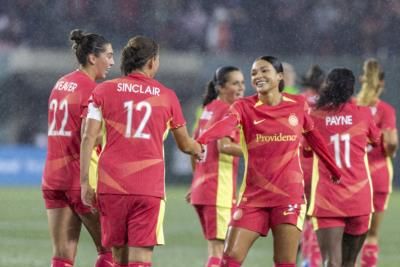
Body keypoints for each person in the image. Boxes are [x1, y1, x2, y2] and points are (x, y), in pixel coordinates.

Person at [196, 56, 341, 267]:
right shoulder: (244, 106)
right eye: (254, 73)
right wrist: (202, 140)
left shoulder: (298, 105)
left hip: (288, 196)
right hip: (253, 197)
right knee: (229, 257)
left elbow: (314, 137)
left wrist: (333, 168)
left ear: (279, 76)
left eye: (264, 71)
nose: (258, 76)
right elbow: (226, 124)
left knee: (284, 262)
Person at [80, 35, 202, 267]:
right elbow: (185, 145)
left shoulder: (103, 91)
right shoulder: (167, 96)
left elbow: (87, 137)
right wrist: (199, 148)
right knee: (141, 261)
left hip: (111, 186)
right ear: (151, 62)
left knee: (118, 259)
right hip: (147, 188)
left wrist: (85, 181)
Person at [42, 29, 115, 267]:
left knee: (62, 256)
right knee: (109, 250)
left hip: (53, 177)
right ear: (93, 58)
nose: (112, 62)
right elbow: (89, 136)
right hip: (81, 177)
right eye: (109, 55)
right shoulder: (92, 90)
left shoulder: (61, 83)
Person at [306, 68, 382, 267]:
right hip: (359, 198)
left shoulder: (314, 116)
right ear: (351, 89)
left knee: (331, 263)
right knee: (349, 264)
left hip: (328, 198)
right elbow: (376, 140)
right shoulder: (363, 113)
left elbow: (305, 150)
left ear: (327, 87)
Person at [189, 66, 245, 267]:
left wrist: (195, 182)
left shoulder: (208, 108)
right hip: (218, 191)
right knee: (220, 251)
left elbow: (193, 146)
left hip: (202, 190)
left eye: (242, 83)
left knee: (217, 250)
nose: (241, 88)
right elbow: (224, 146)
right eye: (235, 83)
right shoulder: (228, 110)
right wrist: (255, 149)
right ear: (221, 87)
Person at [356, 59, 398, 267]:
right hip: (378, 174)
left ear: (362, 79)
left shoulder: (351, 107)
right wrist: (389, 152)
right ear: (381, 84)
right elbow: (391, 142)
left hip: (354, 178)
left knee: (351, 233)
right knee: (372, 234)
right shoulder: (385, 110)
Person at [299, 65, 326, 267]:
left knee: (299, 215)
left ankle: (301, 258)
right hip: (319, 164)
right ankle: (312, 260)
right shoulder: (329, 103)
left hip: (299, 162)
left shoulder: (298, 100)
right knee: (315, 215)